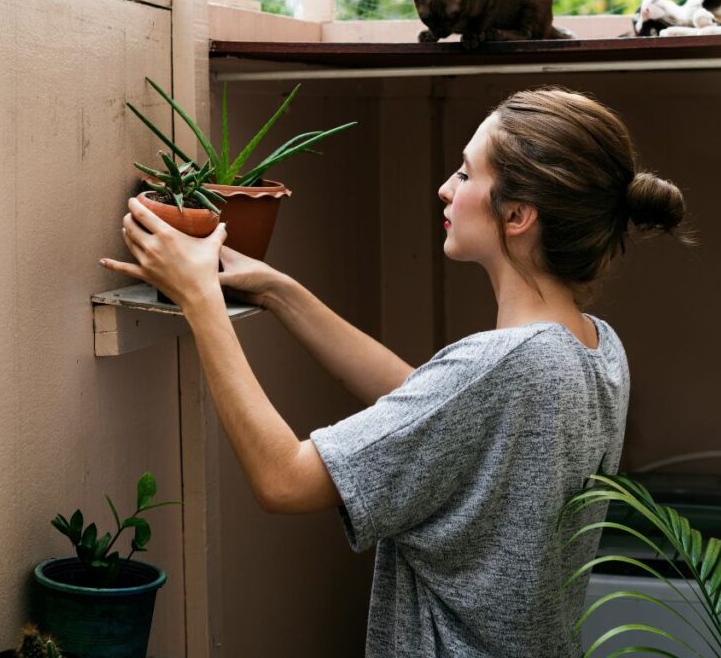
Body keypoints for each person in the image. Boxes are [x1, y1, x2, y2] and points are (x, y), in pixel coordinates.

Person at [99, 87, 690, 657]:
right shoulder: (595, 350)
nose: (444, 189)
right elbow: (436, 410)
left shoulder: (504, 364)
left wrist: (201, 300)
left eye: (464, 175)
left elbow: (283, 479)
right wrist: (280, 292)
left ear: (516, 214)